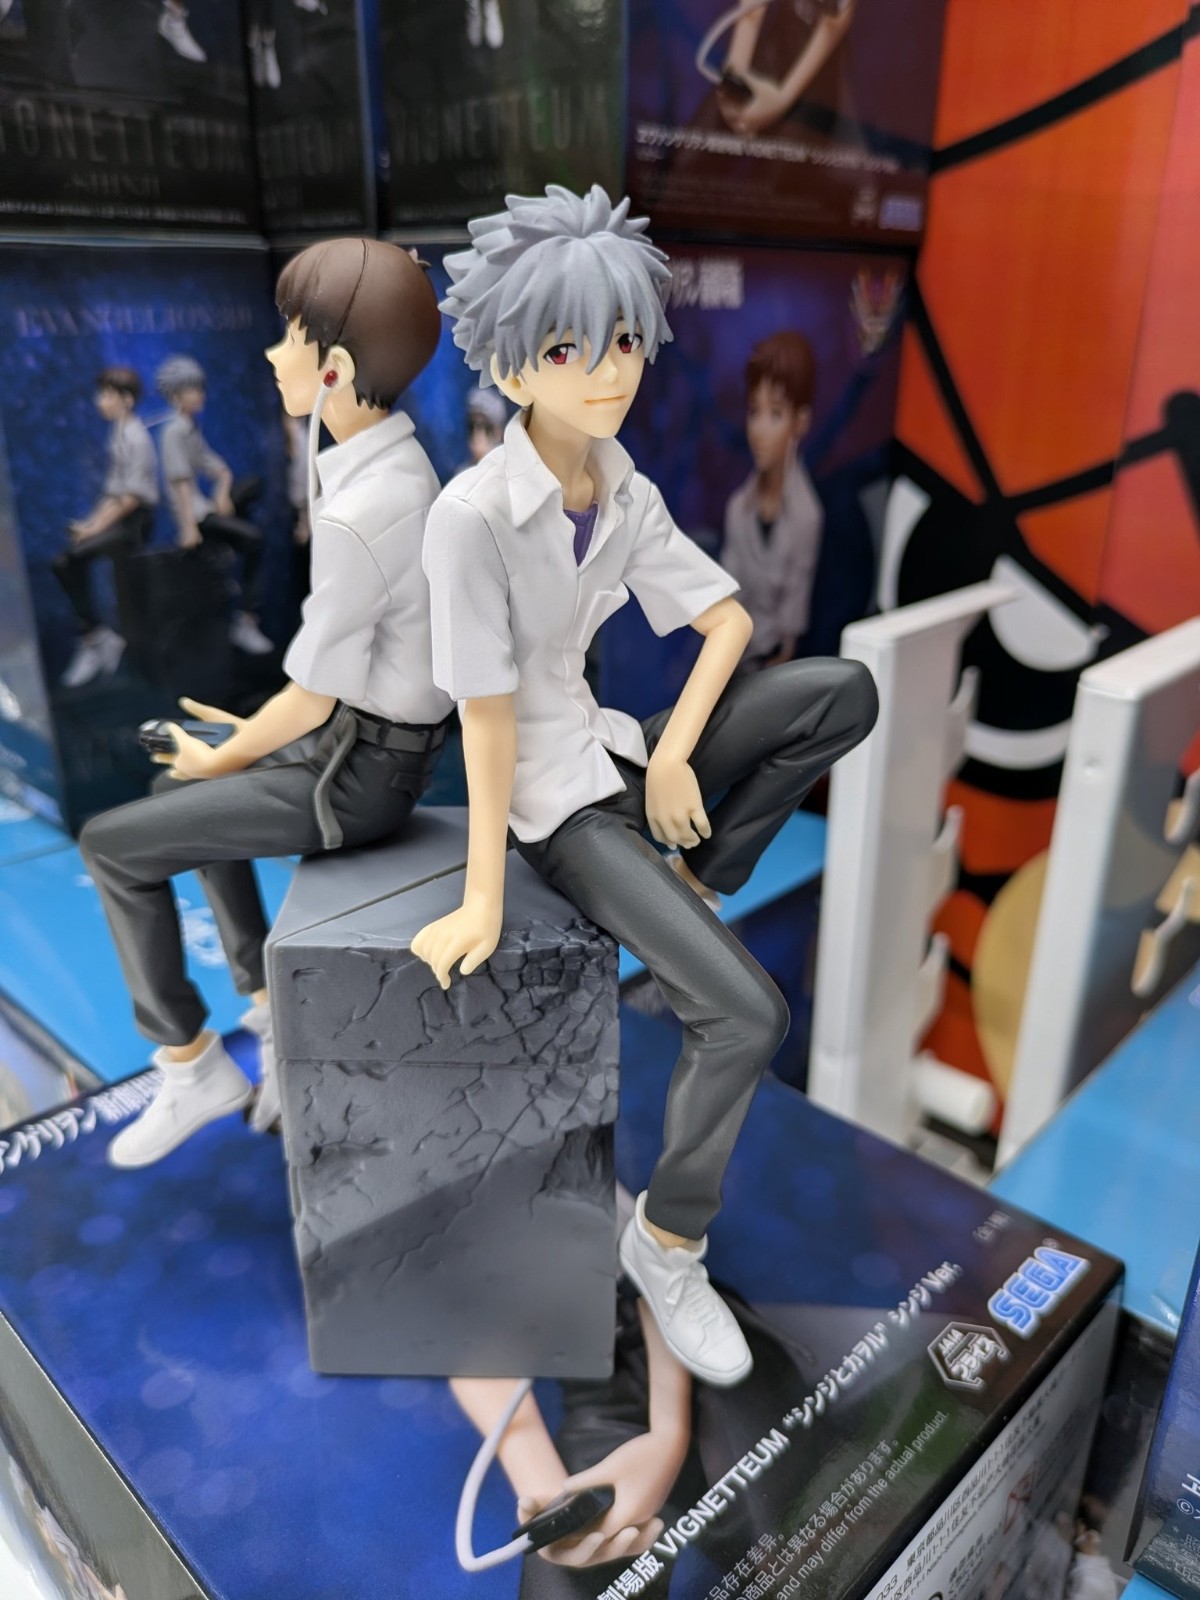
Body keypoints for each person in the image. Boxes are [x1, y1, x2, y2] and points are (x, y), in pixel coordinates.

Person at [414, 184, 877, 1387]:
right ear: (513, 365)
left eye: (623, 339)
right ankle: (668, 1244)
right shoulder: (470, 518)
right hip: (557, 811)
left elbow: (728, 621)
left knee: (839, 692)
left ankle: (701, 878)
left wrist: (672, 756)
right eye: (572, 348)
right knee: (750, 1015)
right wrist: (481, 895)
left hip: (619, 752)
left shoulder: (620, 483)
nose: (610, 369)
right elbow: (486, 719)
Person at [80, 238, 450, 1168]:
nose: (270, 354)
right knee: (174, 791)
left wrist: (231, 749)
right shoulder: (383, 470)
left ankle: (189, 1064)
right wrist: (237, 742)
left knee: (110, 847)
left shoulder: (366, 507)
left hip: (357, 774)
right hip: (361, 742)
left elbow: (313, 698)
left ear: (335, 369)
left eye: (289, 337)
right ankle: (261, 1004)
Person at [155, 353, 274, 657]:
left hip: (207, 507)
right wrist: (188, 528)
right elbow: (180, 483)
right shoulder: (174, 432)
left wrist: (222, 494)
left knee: (251, 485)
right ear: (177, 395)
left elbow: (219, 468)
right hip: (195, 515)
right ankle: (246, 619)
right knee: (254, 539)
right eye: (193, 389)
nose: (201, 395)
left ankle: (226, 549)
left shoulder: (190, 429)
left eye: (200, 388)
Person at [721, 331, 823, 670]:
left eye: (776, 414)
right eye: (754, 411)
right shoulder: (738, 508)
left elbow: (789, 634)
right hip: (728, 659)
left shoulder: (806, 516)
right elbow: (726, 600)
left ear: (800, 422)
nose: (759, 430)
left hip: (774, 672)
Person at [54, 367, 158, 689]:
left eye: (106, 395)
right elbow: (113, 493)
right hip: (121, 516)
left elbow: (130, 499)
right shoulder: (118, 433)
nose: (99, 401)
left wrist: (95, 528)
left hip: (136, 522)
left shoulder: (137, 438)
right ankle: (96, 635)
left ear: (126, 400)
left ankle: (97, 636)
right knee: (64, 561)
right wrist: (90, 524)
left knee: (71, 560)